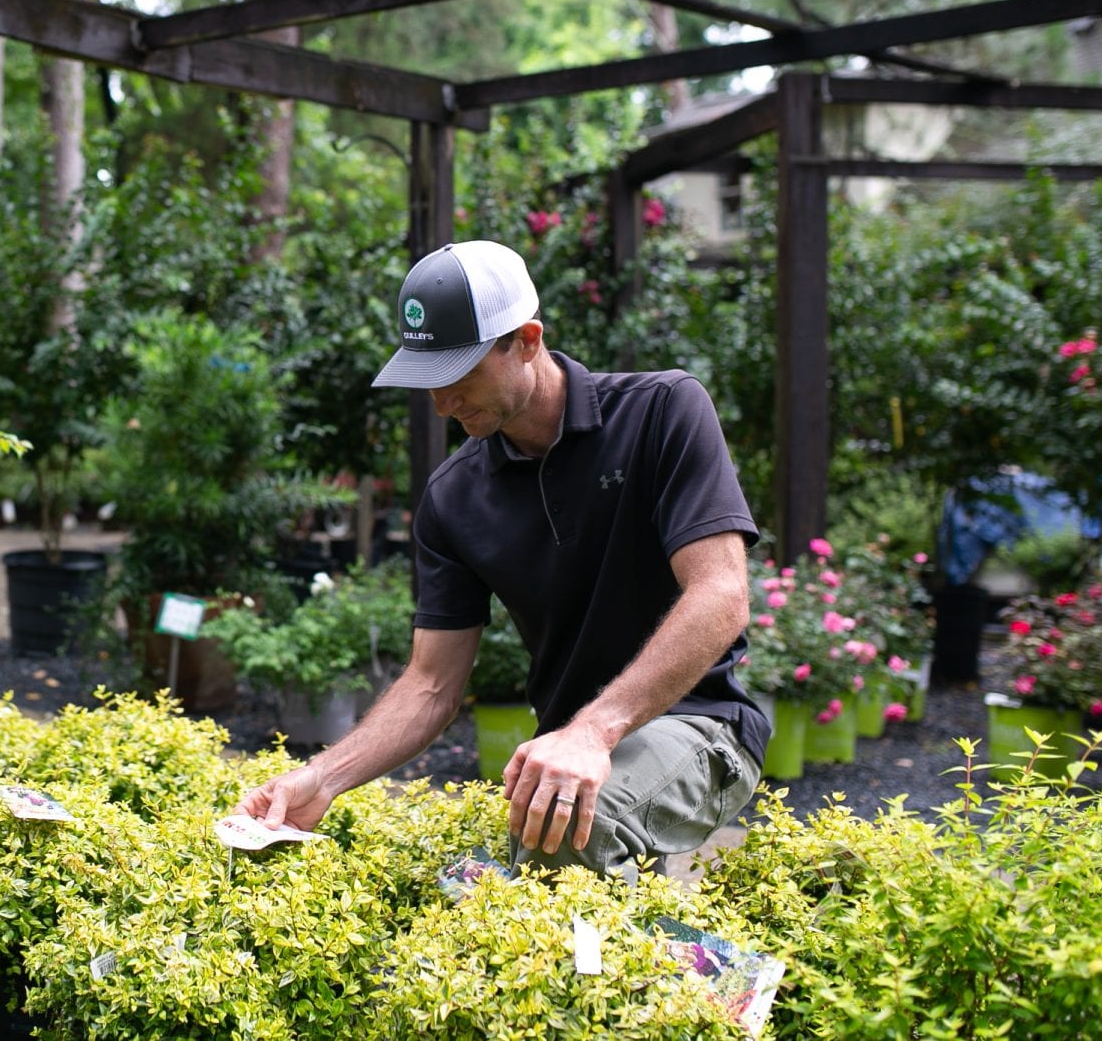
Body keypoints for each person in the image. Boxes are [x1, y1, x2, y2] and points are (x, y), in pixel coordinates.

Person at [236, 239, 766, 875]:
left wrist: (593, 732)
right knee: (500, 879)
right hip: (563, 749)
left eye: (460, 374)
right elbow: (431, 685)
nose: (442, 403)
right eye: (429, 379)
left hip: (698, 722)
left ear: (527, 339)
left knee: (572, 828)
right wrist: (322, 778)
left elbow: (721, 593)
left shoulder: (662, 412)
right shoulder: (452, 497)